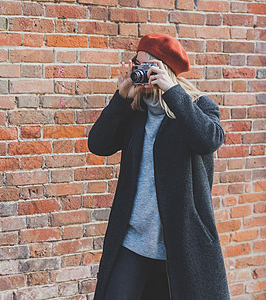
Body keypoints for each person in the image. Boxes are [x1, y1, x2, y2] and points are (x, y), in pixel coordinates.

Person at [88, 33, 229, 299]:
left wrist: (173, 91)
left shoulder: (198, 107)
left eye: (148, 67)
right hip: (133, 242)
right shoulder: (135, 111)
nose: (140, 71)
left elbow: (209, 139)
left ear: (165, 71)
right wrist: (120, 99)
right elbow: (98, 144)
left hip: (181, 247)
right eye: (136, 63)